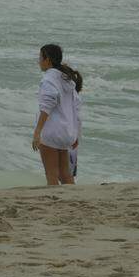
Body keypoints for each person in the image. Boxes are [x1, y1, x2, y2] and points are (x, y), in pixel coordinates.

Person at [32, 43, 83, 185]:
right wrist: (76, 133)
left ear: (47, 59)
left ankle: (54, 202)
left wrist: (37, 132)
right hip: (67, 133)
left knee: (51, 174)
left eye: (40, 57)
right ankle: (71, 199)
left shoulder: (49, 79)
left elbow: (46, 107)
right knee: (66, 174)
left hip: (52, 133)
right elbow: (76, 108)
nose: (38, 61)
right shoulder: (67, 80)